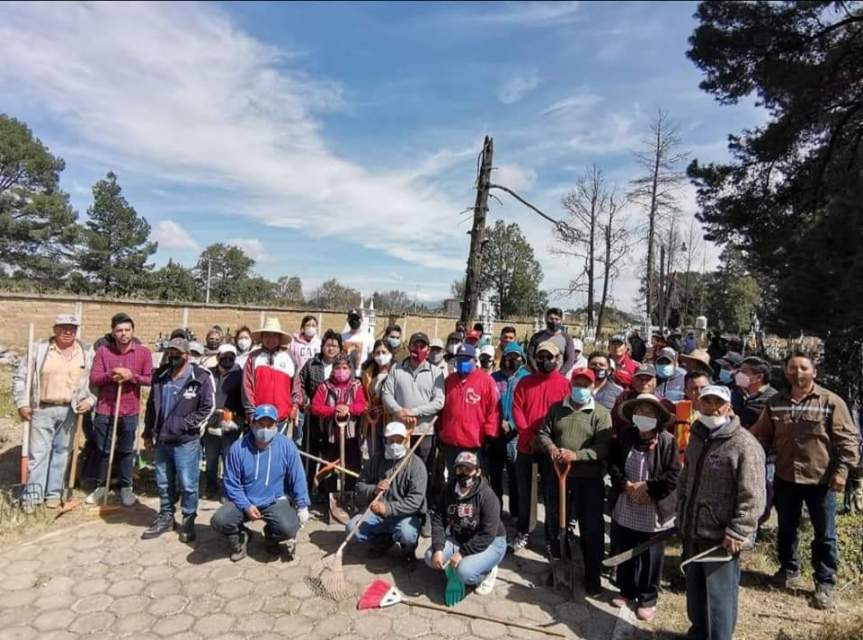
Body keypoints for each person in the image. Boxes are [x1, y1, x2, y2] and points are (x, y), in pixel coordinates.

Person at [751, 354, 860, 610]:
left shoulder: (831, 402)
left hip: (822, 481)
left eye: (803, 368)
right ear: (786, 372)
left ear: (814, 372)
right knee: (787, 528)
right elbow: (763, 437)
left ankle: (824, 582)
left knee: (825, 534)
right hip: (785, 477)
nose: (797, 372)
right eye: (792, 368)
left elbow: (848, 441)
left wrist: (842, 472)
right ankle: (788, 570)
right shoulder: (775, 403)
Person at [677, 385, 765, 640]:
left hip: (721, 537)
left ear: (729, 407)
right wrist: (680, 512)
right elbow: (686, 477)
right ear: (699, 405)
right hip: (693, 529)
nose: (713, 407)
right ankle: (698, 633)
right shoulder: (696, 437)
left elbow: (754, 494)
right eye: (707, 402)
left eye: (719, 402)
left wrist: (739, 529)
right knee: (695, 593)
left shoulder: (743, 444)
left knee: (719, 600)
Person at [537, 368, 612, 596]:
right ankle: (560, 565)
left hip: (588, 480)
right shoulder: (558, 409)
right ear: (571, 385)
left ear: (592, 387)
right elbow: (543, 432)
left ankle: (592, 576)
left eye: (585, 385)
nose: (581, 388)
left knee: (591, 528)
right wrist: (550, 447)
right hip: (560, 476)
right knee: (557, 523)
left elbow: (603, 447)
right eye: (577, 384)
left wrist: (576, 456)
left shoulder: (600, 413)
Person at [608, 394, 680, 621]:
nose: (644, 416)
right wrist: (626, 484)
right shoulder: (626, 435)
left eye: (649, 413)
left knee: (651, 553)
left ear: (658, 417)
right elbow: (613, 464)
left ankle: (647, 598)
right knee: (626, 546)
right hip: (628, 499)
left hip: (653, 504)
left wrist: (649, 489)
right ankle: (627, 590)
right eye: (640, 411)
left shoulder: (667, 441)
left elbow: (674, 474)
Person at [13, 314, 96, 508]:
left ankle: (53, 493)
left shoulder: (86, 351)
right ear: (54, 329)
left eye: (72, 328)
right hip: (41, 408)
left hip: (71, 410)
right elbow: (20, 378)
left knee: (62, 452)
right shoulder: (38, 350)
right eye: (63, 327)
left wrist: (90, 401)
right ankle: (33, 496)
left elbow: (94, 383)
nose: (68, 332)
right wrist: (21, 403)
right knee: (39, 454)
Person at [211, 404, 310, 561]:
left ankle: (271, 536)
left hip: (275, 500)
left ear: (276, 425)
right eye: (260, 424)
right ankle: (241, 538)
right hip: (245, 500)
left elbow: (297, 476)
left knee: (289, 528)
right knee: (220, 520)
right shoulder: (238, 448)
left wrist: (302, 505)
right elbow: (231, 483)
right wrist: (246, 505)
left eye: (269, 425)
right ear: (251, 423)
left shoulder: (287, 446)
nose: (265, 429)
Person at [141, 337, 215, 541]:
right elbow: (151, 407)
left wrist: (185, 424)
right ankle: (166, 516)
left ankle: (189, 520)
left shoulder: (199, 376)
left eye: (177, 352)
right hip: (162, 441)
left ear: (187, 355)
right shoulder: (160, 375)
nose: (173, 355)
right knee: (163, 483)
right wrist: (148, 432)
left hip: (186, 441)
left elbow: (208, 407)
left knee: (188, 484)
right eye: (170, 351)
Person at [381, 332, 445, 534]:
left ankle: (424, 514)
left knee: (423, 474)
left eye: (423, 346)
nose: (419, 350)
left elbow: (439, 401)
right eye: (416, 345)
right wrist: (399, 411)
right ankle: (399, 512)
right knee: (399, 472)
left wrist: (414, 412)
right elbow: (386, 394)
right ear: (409, 347)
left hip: (424, 432)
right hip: (401, 432)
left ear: (428, 349)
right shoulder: (396, 369)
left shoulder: (436, 373)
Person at [510, 340, 571, 551]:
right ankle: (523, 531)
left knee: (551, 494)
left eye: (549, 357)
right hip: (527, 445)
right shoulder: (525, 382)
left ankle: (551, 537)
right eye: (541, 357)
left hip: (551, 448)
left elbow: (566, 415)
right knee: (524, 492)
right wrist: (528, 435)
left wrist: (549, 442)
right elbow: (516, 409)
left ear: (557, 359)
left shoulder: (564, 384)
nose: (544, 361)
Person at [87, 312, 153, 506]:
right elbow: (94, 379)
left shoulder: (143, 353)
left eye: (127, 330)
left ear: (132, 331)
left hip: (130, 410)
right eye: (119, 330)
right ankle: (101, 486)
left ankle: (126, 487)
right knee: (103, 449)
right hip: (105, 409)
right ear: (113, 332)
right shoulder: (103, 352)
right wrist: (112, 374)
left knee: (125, 450)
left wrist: (131, 376)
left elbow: (149, 379)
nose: (123, 334)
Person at [347, 422, 426, 569]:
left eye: (398, 440)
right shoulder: (375, 460)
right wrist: (374, 489)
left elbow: (415, 501)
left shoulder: (416, 465)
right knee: (352, 528)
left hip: (406, 515)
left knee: (407, 534)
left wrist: (387, 508)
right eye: (391, 440)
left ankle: (408, 552)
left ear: (405, 440)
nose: (394, 444)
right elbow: (359, 485)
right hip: (378, 514)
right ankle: (383, 541)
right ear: (385, 440)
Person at [426, 451, 507, 596]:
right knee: (429, 556)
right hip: (461, 537)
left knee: (464, 572)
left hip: (491, 542)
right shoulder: (448, 489)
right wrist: (438, 548)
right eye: (460, 469)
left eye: (468, 469)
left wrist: (462, 553)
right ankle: (462, 566)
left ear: (478, 471)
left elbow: (488, 534)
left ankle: (487, 571)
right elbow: (438, 520)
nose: (464, 473)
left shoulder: (487, 496)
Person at [293, 330, 342, 495]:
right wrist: (304, 401)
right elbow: (299, 383)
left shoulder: (343, 366)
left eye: (335, 346)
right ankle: (305, 489)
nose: (331, 349)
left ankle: (324, 491)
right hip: (313, 416)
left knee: (328, 455)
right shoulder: (311, 364)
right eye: (328, 345)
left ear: (340, 348)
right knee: (309, 453)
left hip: (334, 419)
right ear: (322, 346)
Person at [310, 354, 368, 495]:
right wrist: (333, 410)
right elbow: (315, 407)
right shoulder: (325, 386)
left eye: (345, 367)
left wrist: (349, 408)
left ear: (350, 369)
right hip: (330, 435)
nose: (341, 371)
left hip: (351, 435)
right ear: (333, 369)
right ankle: (328, 495)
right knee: (329, 466)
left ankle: (350, 493)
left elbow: (362, 405)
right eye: (337, 367)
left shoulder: (356, 385)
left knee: (351, 466)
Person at [438, 344, 499, 475]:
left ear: (474, 360)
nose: (462, 362)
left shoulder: (486, 381)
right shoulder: (450, 380)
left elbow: (493, 410)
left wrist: (489, 436)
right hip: (451, 441)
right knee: (453, 480)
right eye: (460, 359)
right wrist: (441, 432)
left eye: (466, 359)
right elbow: (442, 408)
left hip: (473, 443)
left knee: (472, 481)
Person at [488, 342, 530, 522]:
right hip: (495, 433)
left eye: (516, 357)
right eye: (508, 356)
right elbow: (487, 404)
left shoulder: (526, 379)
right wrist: (496, 423)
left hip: (516, 434)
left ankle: (515, 512)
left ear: (522, 358)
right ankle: (495, 510)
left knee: (515, 475)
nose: (511, 360)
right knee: (494, 475)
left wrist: (512, 424)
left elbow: (528, 407)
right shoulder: (493, 378)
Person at [242, 317, 298, 440]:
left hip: (281, 417)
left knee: (278, 453)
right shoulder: (253, 358)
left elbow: (296, 386)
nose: (270, 339)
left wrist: (294, 406)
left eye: (274, 336)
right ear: (262, 337)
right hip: (258, 416)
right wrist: (251, 412)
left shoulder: (289, 357)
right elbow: (247, 386)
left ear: (279, 338)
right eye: (267, 335)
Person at [204, 343, 245, 499]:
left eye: (231, 357)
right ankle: (211, 486)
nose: (227, 359)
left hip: (232, 422)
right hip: (211, 421)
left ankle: (228, 491)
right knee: (211, 457)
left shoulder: (240, 374)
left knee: (229, 457)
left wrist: (239, 418)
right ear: (218, 357)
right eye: (224, 356)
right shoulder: (209, 374)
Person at [611, 364, 675, 437]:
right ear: (633, 381)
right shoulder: (624, 399)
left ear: (655, 382)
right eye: (639, 379)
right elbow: (614, 424)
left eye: (648, 379)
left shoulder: (664, 403)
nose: (643, 383)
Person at [360, 339, 394, 460]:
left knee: (388, 453)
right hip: (371, 421)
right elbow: (363, 395)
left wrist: (385, 408)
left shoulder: (397, 372)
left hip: (389, 420)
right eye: (377, 352)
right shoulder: (367, 374)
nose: (381, 356)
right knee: (373, 454)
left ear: (391, 353)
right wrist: (366, 408)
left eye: (384, 352)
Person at [527, 308, 576, 375]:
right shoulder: (537, 337)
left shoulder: (567, 338)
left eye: (557, 319)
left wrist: (560, 374)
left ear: (561, 321)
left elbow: (570, 359)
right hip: (539, 375)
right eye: (551, 319)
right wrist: (536, 370)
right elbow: (530, 356)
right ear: (546, 320)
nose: (554, 321)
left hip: (558, 376)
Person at [734, 356, 777, 429]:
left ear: (759, 377)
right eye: (739, 371)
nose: (739, 375)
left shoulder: (772, 399)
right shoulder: (738, 393)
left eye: (744, 372)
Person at [342, 308, 373, 377]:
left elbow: (371, 357)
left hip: (361, 375)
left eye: (356, 318)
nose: (354, 320)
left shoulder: (369, 337)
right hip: (345, 374)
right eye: (351, 318)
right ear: (347, 320)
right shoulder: (342, 336)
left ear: (361, 320)